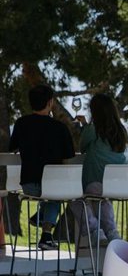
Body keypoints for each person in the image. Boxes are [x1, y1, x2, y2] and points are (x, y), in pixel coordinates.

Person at [9, 84, 75, 250]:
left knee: (52, 192)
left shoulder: (21, 124)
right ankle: (46, 235)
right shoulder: (60, 128)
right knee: (56, 193)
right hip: (52, 186)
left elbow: (13, 148)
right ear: (50, 103)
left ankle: (40, 216)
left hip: (28, 185)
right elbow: (67, 160)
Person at [71, 93, 128, 244]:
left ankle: (94, 230)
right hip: (117, 185)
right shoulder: (121, 131)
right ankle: (111, 232)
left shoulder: (94, 129)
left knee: (74, 197)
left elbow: (82, 147)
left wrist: (84, 127)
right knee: (102, 199)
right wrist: (86, 126)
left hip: (95, 184)